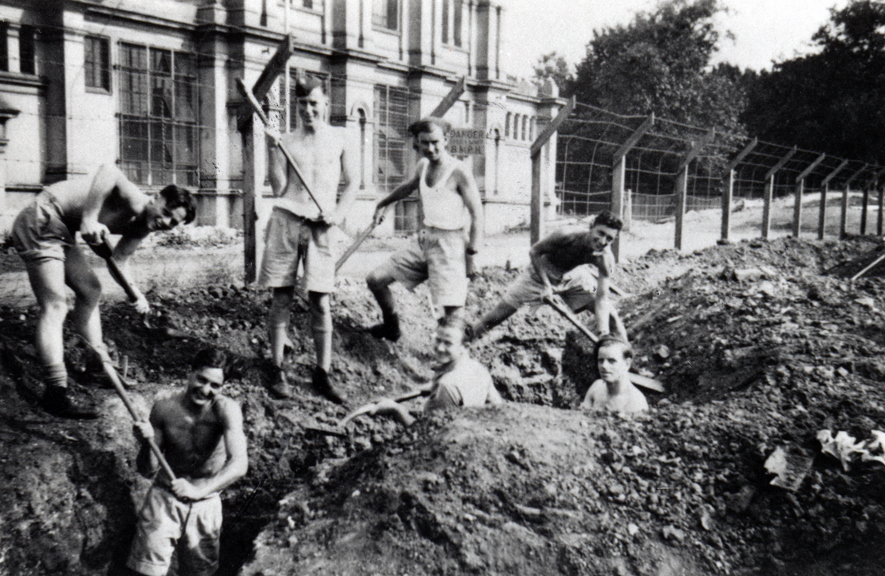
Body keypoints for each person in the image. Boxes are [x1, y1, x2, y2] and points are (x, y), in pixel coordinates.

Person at [10, 164, 196, 419]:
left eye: (173, 223)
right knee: (55, 305)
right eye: (165, 213)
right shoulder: (132, 198)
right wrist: (89, 219)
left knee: (91, 290)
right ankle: (55, 391)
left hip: (61, 229)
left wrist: (135, 294)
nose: (165, 223)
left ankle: (97, 366)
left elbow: (119, 260)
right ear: (155, 198)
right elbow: (108, 170)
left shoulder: (144, 226)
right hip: (42, 217)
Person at [259, 76, 359, 404]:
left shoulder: (341, 138)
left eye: (314, 103)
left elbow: (354, 181)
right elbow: (279, 188)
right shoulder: (287, 139)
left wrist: (337, 213)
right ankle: (276, 367)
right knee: (282, 297)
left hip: (321, 227)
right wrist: (272, 149)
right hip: (287, 221)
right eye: (302, 104)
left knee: (320, 301)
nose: (307, 110)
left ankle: (322, 373)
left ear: (326, 104)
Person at [126, 348, 248, 576]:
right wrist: (146, 442)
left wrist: (198, 491)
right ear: (190, 373)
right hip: (165, 498)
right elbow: (147, 469)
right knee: (148, 571)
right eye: (201, 379)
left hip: (206, 502)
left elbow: (239, 464)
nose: (205, 389)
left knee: (200, 573)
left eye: (214, 385)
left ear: (223, 387)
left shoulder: (226, 410)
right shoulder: (164, 409)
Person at [366, 116, 484, 341]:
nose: (430, 148)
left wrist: (471, 256)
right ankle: (392, 328)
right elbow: (407, 187)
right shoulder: (422, 166)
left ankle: (454, 366)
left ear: (446, 140)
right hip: (424, 240)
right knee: (376, 279)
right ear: (417, 144)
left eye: (435, 142)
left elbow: (478, 215)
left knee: (450, 317)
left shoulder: (459, 172)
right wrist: (383, 203)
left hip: (452, 247)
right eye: (424, 143)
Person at [469, 210, 626, 341]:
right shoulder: (567, 235)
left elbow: (602, 299)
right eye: (601, 233)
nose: (602, 241)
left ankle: (626, 358)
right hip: (538, 275)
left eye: (609, 239)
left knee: (611, 317)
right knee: (495, 317)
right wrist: (546, 285)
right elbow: (534, 251)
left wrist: (603, 333)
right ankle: (460, 344)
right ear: (591, 227)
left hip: (572, 275)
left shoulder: (605, 258)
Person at [369, 316, 502, 426]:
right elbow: (499, 408)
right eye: (438, 340)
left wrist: (396, 410)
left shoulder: (446, 386)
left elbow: (428, 435)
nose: (440, 348)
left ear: (465, 346)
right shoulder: (478, 369)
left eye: (448, 343)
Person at [581, 335, 647, 415]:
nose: (604, 366)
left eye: (612, 361)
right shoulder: (596, 387)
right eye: (600, 360)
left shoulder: (635, 402)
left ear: (627, 364)